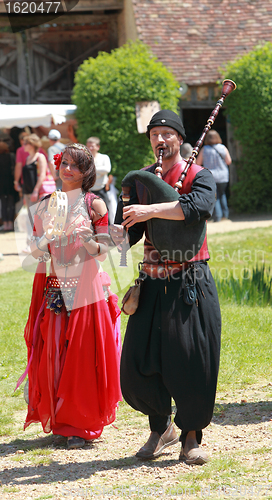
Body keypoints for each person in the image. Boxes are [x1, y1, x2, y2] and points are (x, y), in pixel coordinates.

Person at [112, 110, 221, 465]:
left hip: (190, 281)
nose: (160, 140)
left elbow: (199, 206)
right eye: (154, 134)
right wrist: (101, 235)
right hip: (153, 283)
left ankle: (190, 436)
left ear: (178, 138)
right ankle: (161, 429)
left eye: (167, 134)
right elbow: (123, 233)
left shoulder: (199, 175)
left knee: (192, 361)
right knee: (139, 361)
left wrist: (151, 209)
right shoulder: (141, 181)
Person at [17, 143, 122, 449]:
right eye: (65, 163)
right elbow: (35, 254)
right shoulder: (47, 204)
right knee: (54, 354)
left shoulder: (96, 205)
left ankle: (82, 424)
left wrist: (86, 239)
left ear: (87, 172)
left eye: (76, 165)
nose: (68, 169)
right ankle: (62, 421)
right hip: (55, 287)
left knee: (82, 357)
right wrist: (48, 238)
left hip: (87, 288)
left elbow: (103, 254)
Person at [21, 134, 56, 252]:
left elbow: (42, 176)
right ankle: (33, 243)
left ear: (32, 145)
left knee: (37, 218)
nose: (23, 146)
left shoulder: (39, 157)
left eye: (26, 143)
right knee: (30, 218)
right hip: (28, 191)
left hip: (38, 192)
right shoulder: (27, 158)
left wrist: (36, 190)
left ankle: (37, 243)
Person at [196, 130, 232, 222]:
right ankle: (225, 214)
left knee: (215, 196)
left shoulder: (204, 149)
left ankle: (218, 216)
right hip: (223, 176)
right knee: (222, 194)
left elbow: (198, 163)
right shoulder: (222, 148)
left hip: (211, 176)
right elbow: (229, 161)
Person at [86, 137, 111, 208]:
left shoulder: (104, 157)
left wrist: (92, 169)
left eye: (92, 146)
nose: (90, 148)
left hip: (102, 190)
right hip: (89, 191)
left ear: (98, 147)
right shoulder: (85, 159)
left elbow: (107, 169)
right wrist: (99, 173)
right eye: (88, 146)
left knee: (105, 211)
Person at [0, 141, 17, 231]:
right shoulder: (11, 156)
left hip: (1, 183)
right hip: (10, 182)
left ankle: (5, 223)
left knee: (4, 204)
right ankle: (10, 224)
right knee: (11, 203)